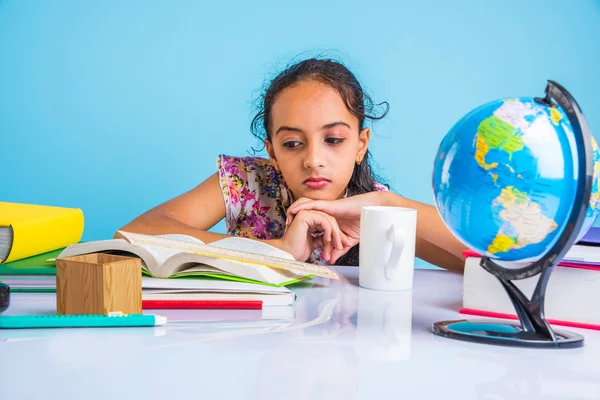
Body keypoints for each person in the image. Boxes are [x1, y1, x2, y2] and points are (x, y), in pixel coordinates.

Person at [117, 57, 465, 271]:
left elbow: (487, 261)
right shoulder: (246, 181)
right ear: (272, 152)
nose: (313, 160)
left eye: (333, 140)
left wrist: (388, 203)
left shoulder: (374, 211)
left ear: (360, 145)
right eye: (293, 144)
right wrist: (279, 251)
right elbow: (133, 235)